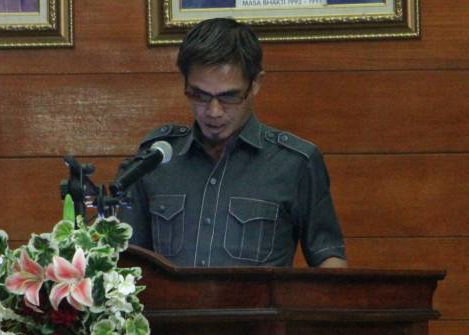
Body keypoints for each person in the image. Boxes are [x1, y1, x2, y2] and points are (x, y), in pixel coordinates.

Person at [118, 17, 346, 268]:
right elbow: (127, 264)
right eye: (200, 95)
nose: (213, 112)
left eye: (229, 97)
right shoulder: (156, 160)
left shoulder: (295, 163)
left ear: (255, 84)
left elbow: (328, 259)